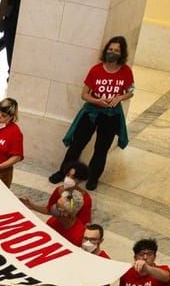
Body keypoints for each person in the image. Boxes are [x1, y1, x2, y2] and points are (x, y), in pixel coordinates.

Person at [52, 36, 133, 189]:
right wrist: (97, 101)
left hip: (111, 115)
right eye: (110, 49)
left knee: (101, 149)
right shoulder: (96, 70)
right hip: (91, 113)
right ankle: (63, 172)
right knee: (77, 145)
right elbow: (84, 94)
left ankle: (93, 178)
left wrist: (119, 97)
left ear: (122, 53)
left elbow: (131, 90)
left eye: (116, 50)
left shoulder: (126, 71)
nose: (113, 52)